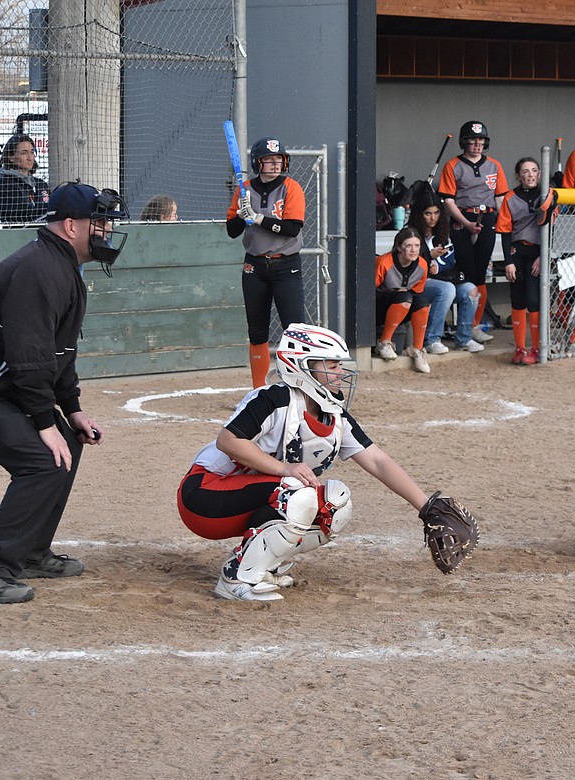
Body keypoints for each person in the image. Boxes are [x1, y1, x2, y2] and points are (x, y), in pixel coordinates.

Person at [176, 324, 440, 601]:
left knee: (334, 505)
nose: (340, 372)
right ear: (301, 366)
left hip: (242, 496)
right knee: (297, 492)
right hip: (203, 496)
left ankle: (263, 566)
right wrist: (283, 468)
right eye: (332, 365)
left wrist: (426, 507)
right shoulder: (274, 399)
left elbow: (377, 460)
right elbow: (228, 441)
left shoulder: (332, 413)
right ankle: (234, 579)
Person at [0, 182, 129, 604]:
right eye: (97, 222)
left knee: (68, 444)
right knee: (45, 458)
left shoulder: (61, 266)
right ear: (69, 226)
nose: (105, 230)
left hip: (1, 389)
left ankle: (28, 552)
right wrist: (45, 422)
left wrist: (72, 410)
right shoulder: (38, 269)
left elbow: (58, 352)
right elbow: (28, 358)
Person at [226, 135, 307, 389]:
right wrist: (241, 214)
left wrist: (259, 218)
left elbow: (292, 228)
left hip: (286, 265)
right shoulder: (244, 189)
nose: (274, 165)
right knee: (257, 330)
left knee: (293, 329)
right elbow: (232, 230)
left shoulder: (291, 188)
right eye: (268, 160)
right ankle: (258, 390)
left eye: (278, 160)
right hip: (255, 267)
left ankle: (299, 386)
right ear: (257, 163)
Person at [437, 121, 510, 346]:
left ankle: (474, 325)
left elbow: (500, 199)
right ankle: (463, 328)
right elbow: (448, 200)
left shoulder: (495, 165)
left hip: (487, 218)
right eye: (472, 139)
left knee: (480, 273)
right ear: (464, 142)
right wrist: (465, 224)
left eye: (481, 140)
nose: (477, 144)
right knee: (466, 271)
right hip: (462, 218)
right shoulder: (453, 166)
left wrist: (506, 223)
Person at [407, 192, 485, 354]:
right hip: (415, 282)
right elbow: (405, 261)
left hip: (440, 278)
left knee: (470, 289)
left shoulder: (443, 233)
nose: (432, 218)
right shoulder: (409, 233)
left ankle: (464, 339)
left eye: (436, 213)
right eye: (428, 213)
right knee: (446, 289)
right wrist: (429, 257)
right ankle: (431, 340)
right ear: (419, 214)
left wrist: (437, 267)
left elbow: (450, 261)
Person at [496, 157, 547, 365]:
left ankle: (536, 348)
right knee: (517, 298)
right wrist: (508, 260)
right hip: (517, 250)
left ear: (540, 173)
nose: (530, 175)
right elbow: (505, 232)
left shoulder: (547, 195)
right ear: (518, 176)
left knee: (534, 300)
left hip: (538, 253)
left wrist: (542, 257)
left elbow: (552, 229)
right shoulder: (510, 197)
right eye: (525, 171)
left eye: (534, 170)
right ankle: (520, 348)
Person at [375, 227, 432, 374]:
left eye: (417, 246)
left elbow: (417, 292)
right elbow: (369, 291)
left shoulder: (422, 264)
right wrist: (394, 292)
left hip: (402, 306)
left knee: (422, 303)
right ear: (399, 247)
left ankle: (417, 350)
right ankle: (384, 343)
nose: (413, 250)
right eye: (408, 246)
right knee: (404, 298)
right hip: (378, 306)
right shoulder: (384, 262)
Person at [0, 134, 50, 224]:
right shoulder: (5, 184)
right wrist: (50, 207)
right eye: (24, 153)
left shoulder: (41, 184)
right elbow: (17, 215)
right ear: (11, 157)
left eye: (32, 152)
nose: (29, 157)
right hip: (18, 235)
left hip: (44, 235)